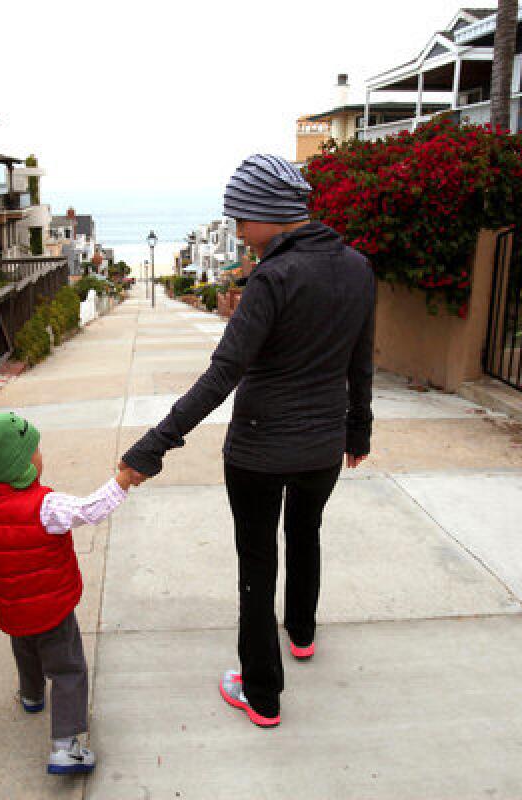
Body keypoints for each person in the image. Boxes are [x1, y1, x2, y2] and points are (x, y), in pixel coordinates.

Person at [119, 154, 376, 728]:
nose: (237, 232)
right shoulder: (358, 268)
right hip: (322, 447)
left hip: (258, 452)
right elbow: (362, 360)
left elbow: (222, 373)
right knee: (306, 533)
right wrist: (358, 429)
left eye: (241, 219)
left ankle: (261, 694)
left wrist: (154, 444)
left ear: (270, 215)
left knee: (257, 570)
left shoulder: (274, 278)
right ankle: (302, 634)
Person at [0, 411, 139, 775]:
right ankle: (65, 745)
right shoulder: (45, 506)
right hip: (52, 608)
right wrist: (122, 481)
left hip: (12, 606)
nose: (40, 455)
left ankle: (31, 696)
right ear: (23, 465)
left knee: (25, 649)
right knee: (67, 668)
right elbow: (89, 510)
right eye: (35, 451)